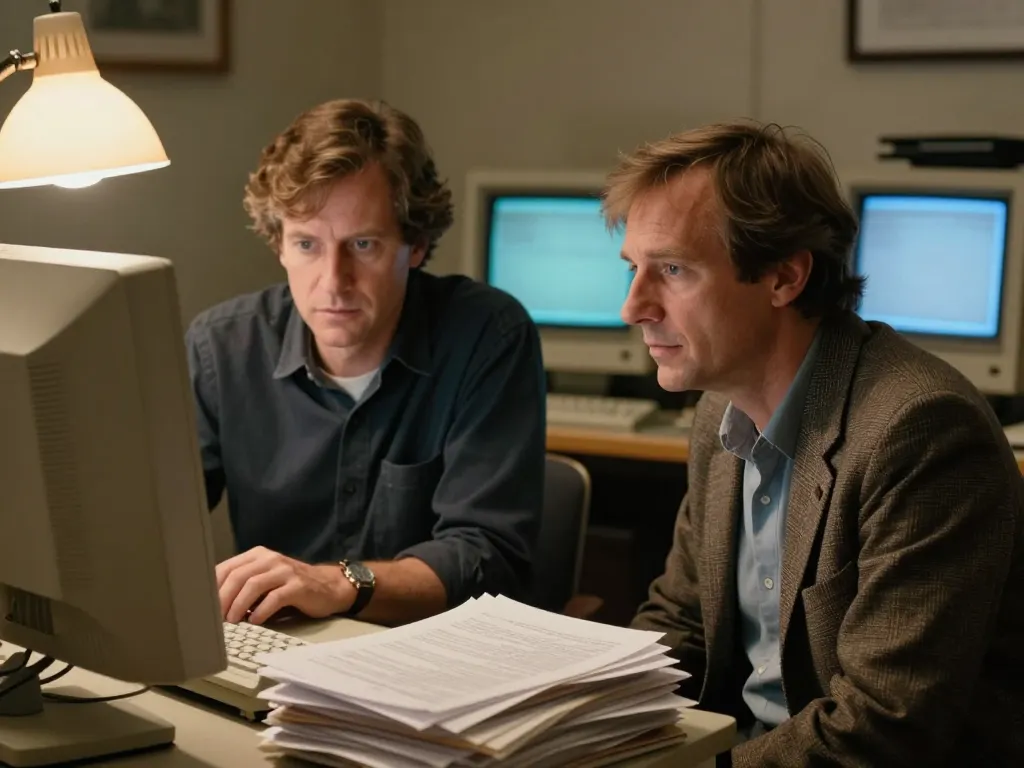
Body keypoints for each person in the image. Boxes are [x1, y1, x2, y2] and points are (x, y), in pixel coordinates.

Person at [605, 120, 1024, 766]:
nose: (634, 307)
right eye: (634, 269)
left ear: (784, 278)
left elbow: (885, 727)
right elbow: (682, 625)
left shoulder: (921, 432)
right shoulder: (721, 410)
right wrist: (578, 723)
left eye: (673, 270)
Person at [185, 99, 546, 628]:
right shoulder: (222, 348)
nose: (334, 280)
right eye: (307, 244)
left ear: (415, 245)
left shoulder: (487, 337)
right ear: (278, 245)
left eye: (363, 243)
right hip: (274, 647)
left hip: (432, 656)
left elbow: (487, 559)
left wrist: (334, 584)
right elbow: (154, 529)